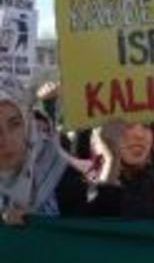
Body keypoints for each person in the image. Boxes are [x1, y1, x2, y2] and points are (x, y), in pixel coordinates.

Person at [0, 79, 121, 225]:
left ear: (28, 126)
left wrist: (112, 157)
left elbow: (97, 222)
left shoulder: (58, 173)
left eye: (15, 124)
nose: (6, 139)